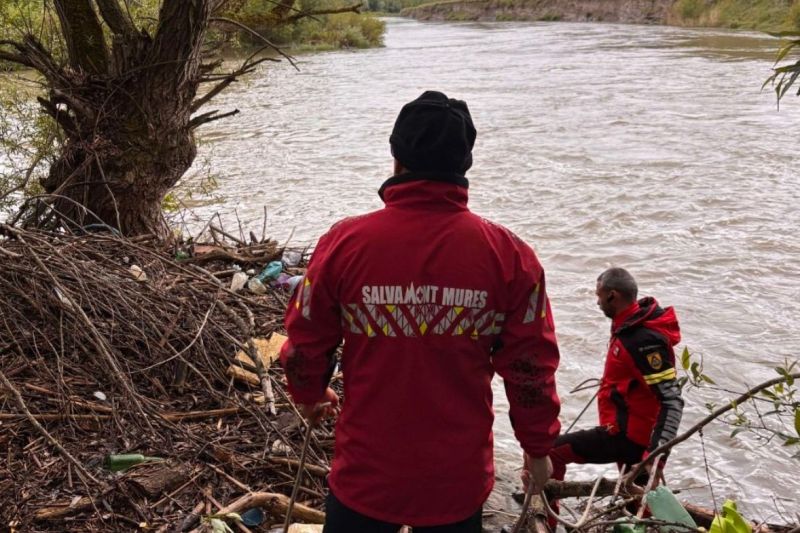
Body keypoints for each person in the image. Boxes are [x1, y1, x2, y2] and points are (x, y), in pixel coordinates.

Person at [280, 90, 561, 533]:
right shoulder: (511, 256)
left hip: (365, 475)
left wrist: (310, 393)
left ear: (396, 159)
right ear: (465, 164)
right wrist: (538, 447)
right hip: (456, 482)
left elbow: (305, 342)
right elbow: (531, 368)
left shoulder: (344, 244)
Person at [549, 267, 684, 495]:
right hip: (627, 432)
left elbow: (672, 401)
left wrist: (654, 458)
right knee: (637, 499)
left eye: (599, 295)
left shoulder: (641, 340)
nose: (597, 302)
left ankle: (545, 523)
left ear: (612, 295)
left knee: (550, 452)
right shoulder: (628, 326)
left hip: (629, 438)